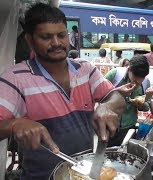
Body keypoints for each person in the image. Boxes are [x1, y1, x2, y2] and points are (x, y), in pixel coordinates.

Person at [0, 3, 135, 179]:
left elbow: (115, 96)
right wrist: (14, 124)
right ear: (30, 40)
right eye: (46, 37)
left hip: (82, 172)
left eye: (61, 35)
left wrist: (107, 106)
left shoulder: (85, 69)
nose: (57, 43)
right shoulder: (15, 78)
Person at [105, 55, 151, 146]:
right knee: (107, 155)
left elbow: (146, 107)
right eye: (135, 79)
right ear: (129, 69)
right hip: (109, 125)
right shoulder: (115, 75)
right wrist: (118, 91)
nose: (137, 82)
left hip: (129, 127)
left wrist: (142, 103)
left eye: (140, 80)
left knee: (126, 155)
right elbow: (99, 94)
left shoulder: (146, 83)